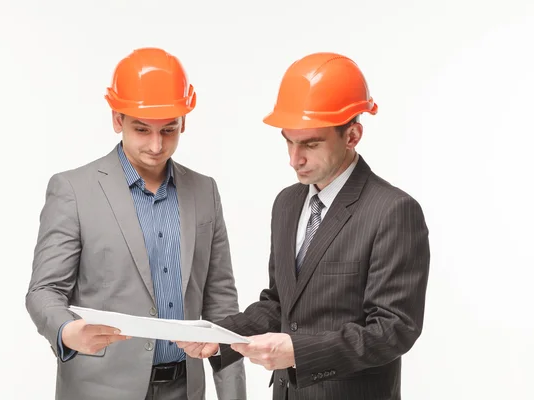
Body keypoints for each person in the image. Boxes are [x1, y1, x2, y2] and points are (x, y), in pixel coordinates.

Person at [177, 52, 430, 399]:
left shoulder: (393, 211)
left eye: (310, 144)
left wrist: (298, 351)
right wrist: (220, 334)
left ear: (353, 135)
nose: (294, 159)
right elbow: (281, 304)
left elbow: (393, 330)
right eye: (289, 141)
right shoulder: (288, 203)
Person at [26, 47, 246, 400]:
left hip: (185, 389)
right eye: (142, 129)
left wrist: (234, 396)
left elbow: (221, 305)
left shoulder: (204, 191)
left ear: (184, 122)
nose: (156, 145)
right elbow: (45, 290)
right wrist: (66, 330)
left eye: (169, 130)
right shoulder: (73, 190)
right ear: (117, 119)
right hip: (100, 389)